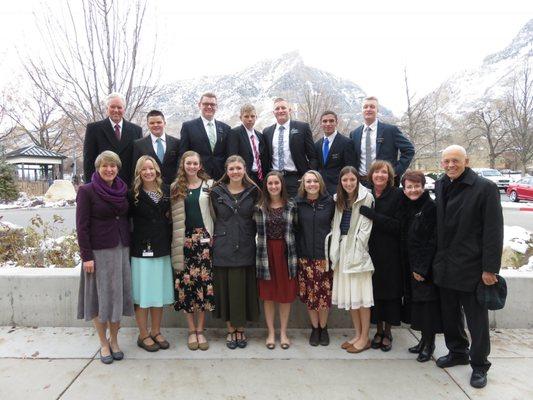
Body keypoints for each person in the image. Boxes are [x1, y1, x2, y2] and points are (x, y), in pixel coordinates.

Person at [433, 145, 503, 389]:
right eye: (446, 161)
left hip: (473, 267)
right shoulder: (441, 184)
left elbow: (494, 232)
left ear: (467, 161)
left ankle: (480, 365)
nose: (450, 165)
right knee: (450, 315)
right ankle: (458, 352)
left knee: (477, 321)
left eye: (455, 161)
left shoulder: (485, 188)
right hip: (445, 264)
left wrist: (490, 269)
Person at [76, 150, 133, 364]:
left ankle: (115, 340)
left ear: (117, 168)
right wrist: (86, 256)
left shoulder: (122, 189)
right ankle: (103, 343)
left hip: (121, 250)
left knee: (117, 297)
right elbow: (81, 227)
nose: (109, 169)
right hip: (98, 253)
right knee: (99, 299)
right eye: (105, 166)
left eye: (113, 166)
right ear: (97, 169)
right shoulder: (87, 191)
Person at [210, 155, 260, 349]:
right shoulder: (216, 191)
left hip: (246, 244)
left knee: (243, 290)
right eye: (232, 169)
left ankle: (241, 329)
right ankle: (231, 330)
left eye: (239, 168)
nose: (235, 171)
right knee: (227, 290)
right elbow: (211, 217)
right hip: (223, 246)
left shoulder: (254, 191)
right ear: (226, 170)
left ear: (245, 169)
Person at [170, 151, 215, 351]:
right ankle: (190, 331)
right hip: (184, 241)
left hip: (205, 242)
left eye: (195, 163)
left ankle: (200, 330)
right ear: (183, 165)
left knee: (204, 286)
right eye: (188, 163)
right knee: (186, 287)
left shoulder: (210, 186)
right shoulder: (175, 188)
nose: (192, 166)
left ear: (200, 165)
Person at [129, 156, 174, 352]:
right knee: (143, 294)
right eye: (144, 169)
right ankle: (143, 334)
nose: (148, 172)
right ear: (139, 172)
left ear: (157, 170)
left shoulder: (165, 191)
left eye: (151, 168)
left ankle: (156, 331)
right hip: (142, 250)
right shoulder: (132, 194)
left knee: (159, 293)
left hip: (162, 248)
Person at [327, 166, 374, 353]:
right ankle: (357, 334)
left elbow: (365, 229)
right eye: (345, 180)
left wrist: (357, 250)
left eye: (352, 180)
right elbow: (336, 224)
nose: (348, 183)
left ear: (357, 180)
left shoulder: (366, 197)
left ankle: (365, 338)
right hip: (342, 248)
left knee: (362, 297)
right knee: (352, 297)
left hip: (357, 251)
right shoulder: (338, 198)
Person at [397, 170, 442, 362]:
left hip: (423, 268)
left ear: (423, 187)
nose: (413, 190)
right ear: (404, 188)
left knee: (427, 307)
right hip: (409, 264)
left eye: (416, 186)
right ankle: (423, 341)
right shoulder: (407, 206)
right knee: (418, 306)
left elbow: (432, 241)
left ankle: (429, 344)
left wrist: (421, 269)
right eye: (409, 186)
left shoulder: (430, 207)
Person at [359, 160, 402, 352]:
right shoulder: (367, 195)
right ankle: (377, 330)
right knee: (374, 291)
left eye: (384, 172)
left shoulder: (397, 195)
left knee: (390, 292)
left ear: (389, 175)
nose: (380, 176)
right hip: (371, 249)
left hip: (391, 250)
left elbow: (397, 225)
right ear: (371, 175)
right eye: (376, 172)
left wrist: (372, 215)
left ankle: (388, 331)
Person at [254, 171, 298, 349]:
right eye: (270, 183)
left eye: (276, 183)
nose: (273, 186)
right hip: (266, 254)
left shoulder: (291, 205)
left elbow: (297, 228)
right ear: (266, 186)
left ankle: (283, 333)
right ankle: (271, 332)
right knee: (269, 296)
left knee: (285, 296)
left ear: (282, 185)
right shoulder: (259, 207)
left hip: (286, 254)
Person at [294, 170, 335, 346]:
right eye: (308, 181)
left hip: (324, 258)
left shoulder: (329, 203)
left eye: (315, 181)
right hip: (304, 257)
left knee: (324, 297)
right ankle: (315, 328)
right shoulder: (297, 204)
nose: (311, 184)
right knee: (310, 296)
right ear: (303, 184)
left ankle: (324, 328)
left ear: (320, 183)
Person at [350, 96, 414, 186]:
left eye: (372, 107)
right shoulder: (354, 134)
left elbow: (409, 150)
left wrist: (395, 171)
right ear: (362, 110)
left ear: (377, 110)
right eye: (365, 107)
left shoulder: (390, 130)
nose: (368, 109)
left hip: (385, 183)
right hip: (361, 183)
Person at [83, 93, 142, 186]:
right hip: (102, 186)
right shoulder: (94, 129)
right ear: (107, 108)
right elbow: (88, 161)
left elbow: (138, 161)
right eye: (112, 107)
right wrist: (90, 186)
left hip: (128, 186)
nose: (116, 110)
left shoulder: (136, 130)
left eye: (119, 107)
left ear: (124, 109)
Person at [263, 98, 318, 197]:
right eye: (277, 108)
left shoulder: (302, 127)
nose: (280, 110)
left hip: (295, 178)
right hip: (274, 180)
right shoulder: (267, 132)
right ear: (273, 112)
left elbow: (313, 156)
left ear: (289, 110)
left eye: (283, 107)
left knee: (296, 209)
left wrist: (307, 175)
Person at [178, 92, 231, 180]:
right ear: (199, 105)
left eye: (212, 104)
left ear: (216, 107)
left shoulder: (225, 128)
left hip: (221, 176)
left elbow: (228, 154)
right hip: (197, 175)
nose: (209, 107)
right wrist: (181, 177)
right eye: (206, 104)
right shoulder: (188, 127)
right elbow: (183, 154)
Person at [132, 110, 180, 185]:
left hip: (173, 187)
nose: (155, 125)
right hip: (149, 188)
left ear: (164, 123)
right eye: (152, 123)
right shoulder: (139, 144)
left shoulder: (176, 143)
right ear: (148, 125)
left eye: (159, 122)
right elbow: (135, 169)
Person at [228, 104, 270, 186]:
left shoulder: (260, 136)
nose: (250, 119)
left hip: (260, 177)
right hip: (245, 177)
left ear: (256, 117)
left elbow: (264, 157)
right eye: (246, 116)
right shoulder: (235, 133)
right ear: (241, 118)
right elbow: (232, 156)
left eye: (252, 116)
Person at [315, 111, 356, 195]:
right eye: (325, 121)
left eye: (331, 121)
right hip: (321, 189)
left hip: (339, 189)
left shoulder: (346, 143)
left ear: (336, 123)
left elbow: (350, 168)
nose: (328, 124)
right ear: (320, 124)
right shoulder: (317, 145)